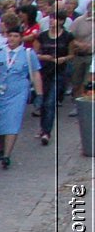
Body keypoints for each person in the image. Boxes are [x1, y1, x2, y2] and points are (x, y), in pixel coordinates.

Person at [0, 26, 43, 169]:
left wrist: (39, 94)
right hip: (0, 92)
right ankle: (2, 147)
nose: (12, 39)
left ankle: (7, 155)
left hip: (18, 92)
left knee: (13, 121)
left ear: (21, 38)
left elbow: (35, 74)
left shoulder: (28, 54)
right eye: (10, 36)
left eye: (16, 36)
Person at [35, 12, 72, 144]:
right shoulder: (42, 36)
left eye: (56, 19)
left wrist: (64, 58)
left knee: (50, 102)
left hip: (59, 71)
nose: (52, 21)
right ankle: (43, 126)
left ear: (62, 21)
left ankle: (46, 132)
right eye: (51, 18)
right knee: (44, 101)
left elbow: (71, 54)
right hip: (44, 71)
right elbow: (35, 53)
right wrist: (43, 57)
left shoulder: (67, 36)